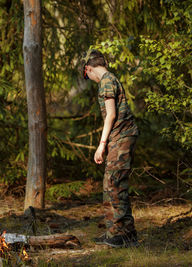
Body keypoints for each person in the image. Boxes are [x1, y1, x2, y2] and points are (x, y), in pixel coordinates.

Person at [83, 49, 139, 248]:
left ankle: (119, 234)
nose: (89, 78)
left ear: (88, 68)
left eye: (87, 75)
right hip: (121, 137)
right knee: (115, 183)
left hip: (121, 136)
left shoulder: (106, 81)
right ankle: (122, 232)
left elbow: (111, 115)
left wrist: (101, 145)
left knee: (113, 182)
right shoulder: (112, 78)